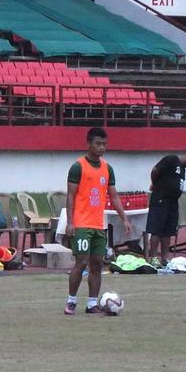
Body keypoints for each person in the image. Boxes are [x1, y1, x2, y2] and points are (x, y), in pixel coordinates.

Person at [64, 127, 133, 315]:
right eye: (98, 144)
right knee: (81, 262)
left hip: (99, 225)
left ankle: (92, 304)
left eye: (104, 144)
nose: (101, 147)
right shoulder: (78, 166)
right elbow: (70, 196)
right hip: (82, 224)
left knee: (97, 262)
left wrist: (124, 218)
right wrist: (70, 222)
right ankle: (71, 301)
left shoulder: (107, 168)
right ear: (88, 144)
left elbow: (114, 196)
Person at [146, 152, 186, 266]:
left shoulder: (183, 168)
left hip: (172, 202)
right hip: (161, 199)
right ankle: (153, 257)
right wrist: (155, 183)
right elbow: (155, 170)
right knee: (157, 229)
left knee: (168, 230)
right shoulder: (171, 159)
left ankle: (165, 258)